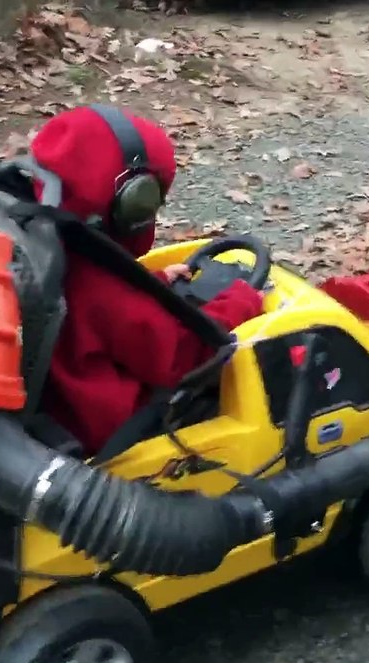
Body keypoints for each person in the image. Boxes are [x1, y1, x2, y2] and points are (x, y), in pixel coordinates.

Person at [26, 105, 265, 456]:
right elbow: (181, 354)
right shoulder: (102, 284)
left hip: (56, 405)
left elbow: (104, 315)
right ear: (131, 205)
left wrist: (153, 282)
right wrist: (240, 302)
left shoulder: (45, 244)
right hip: (108, 428)